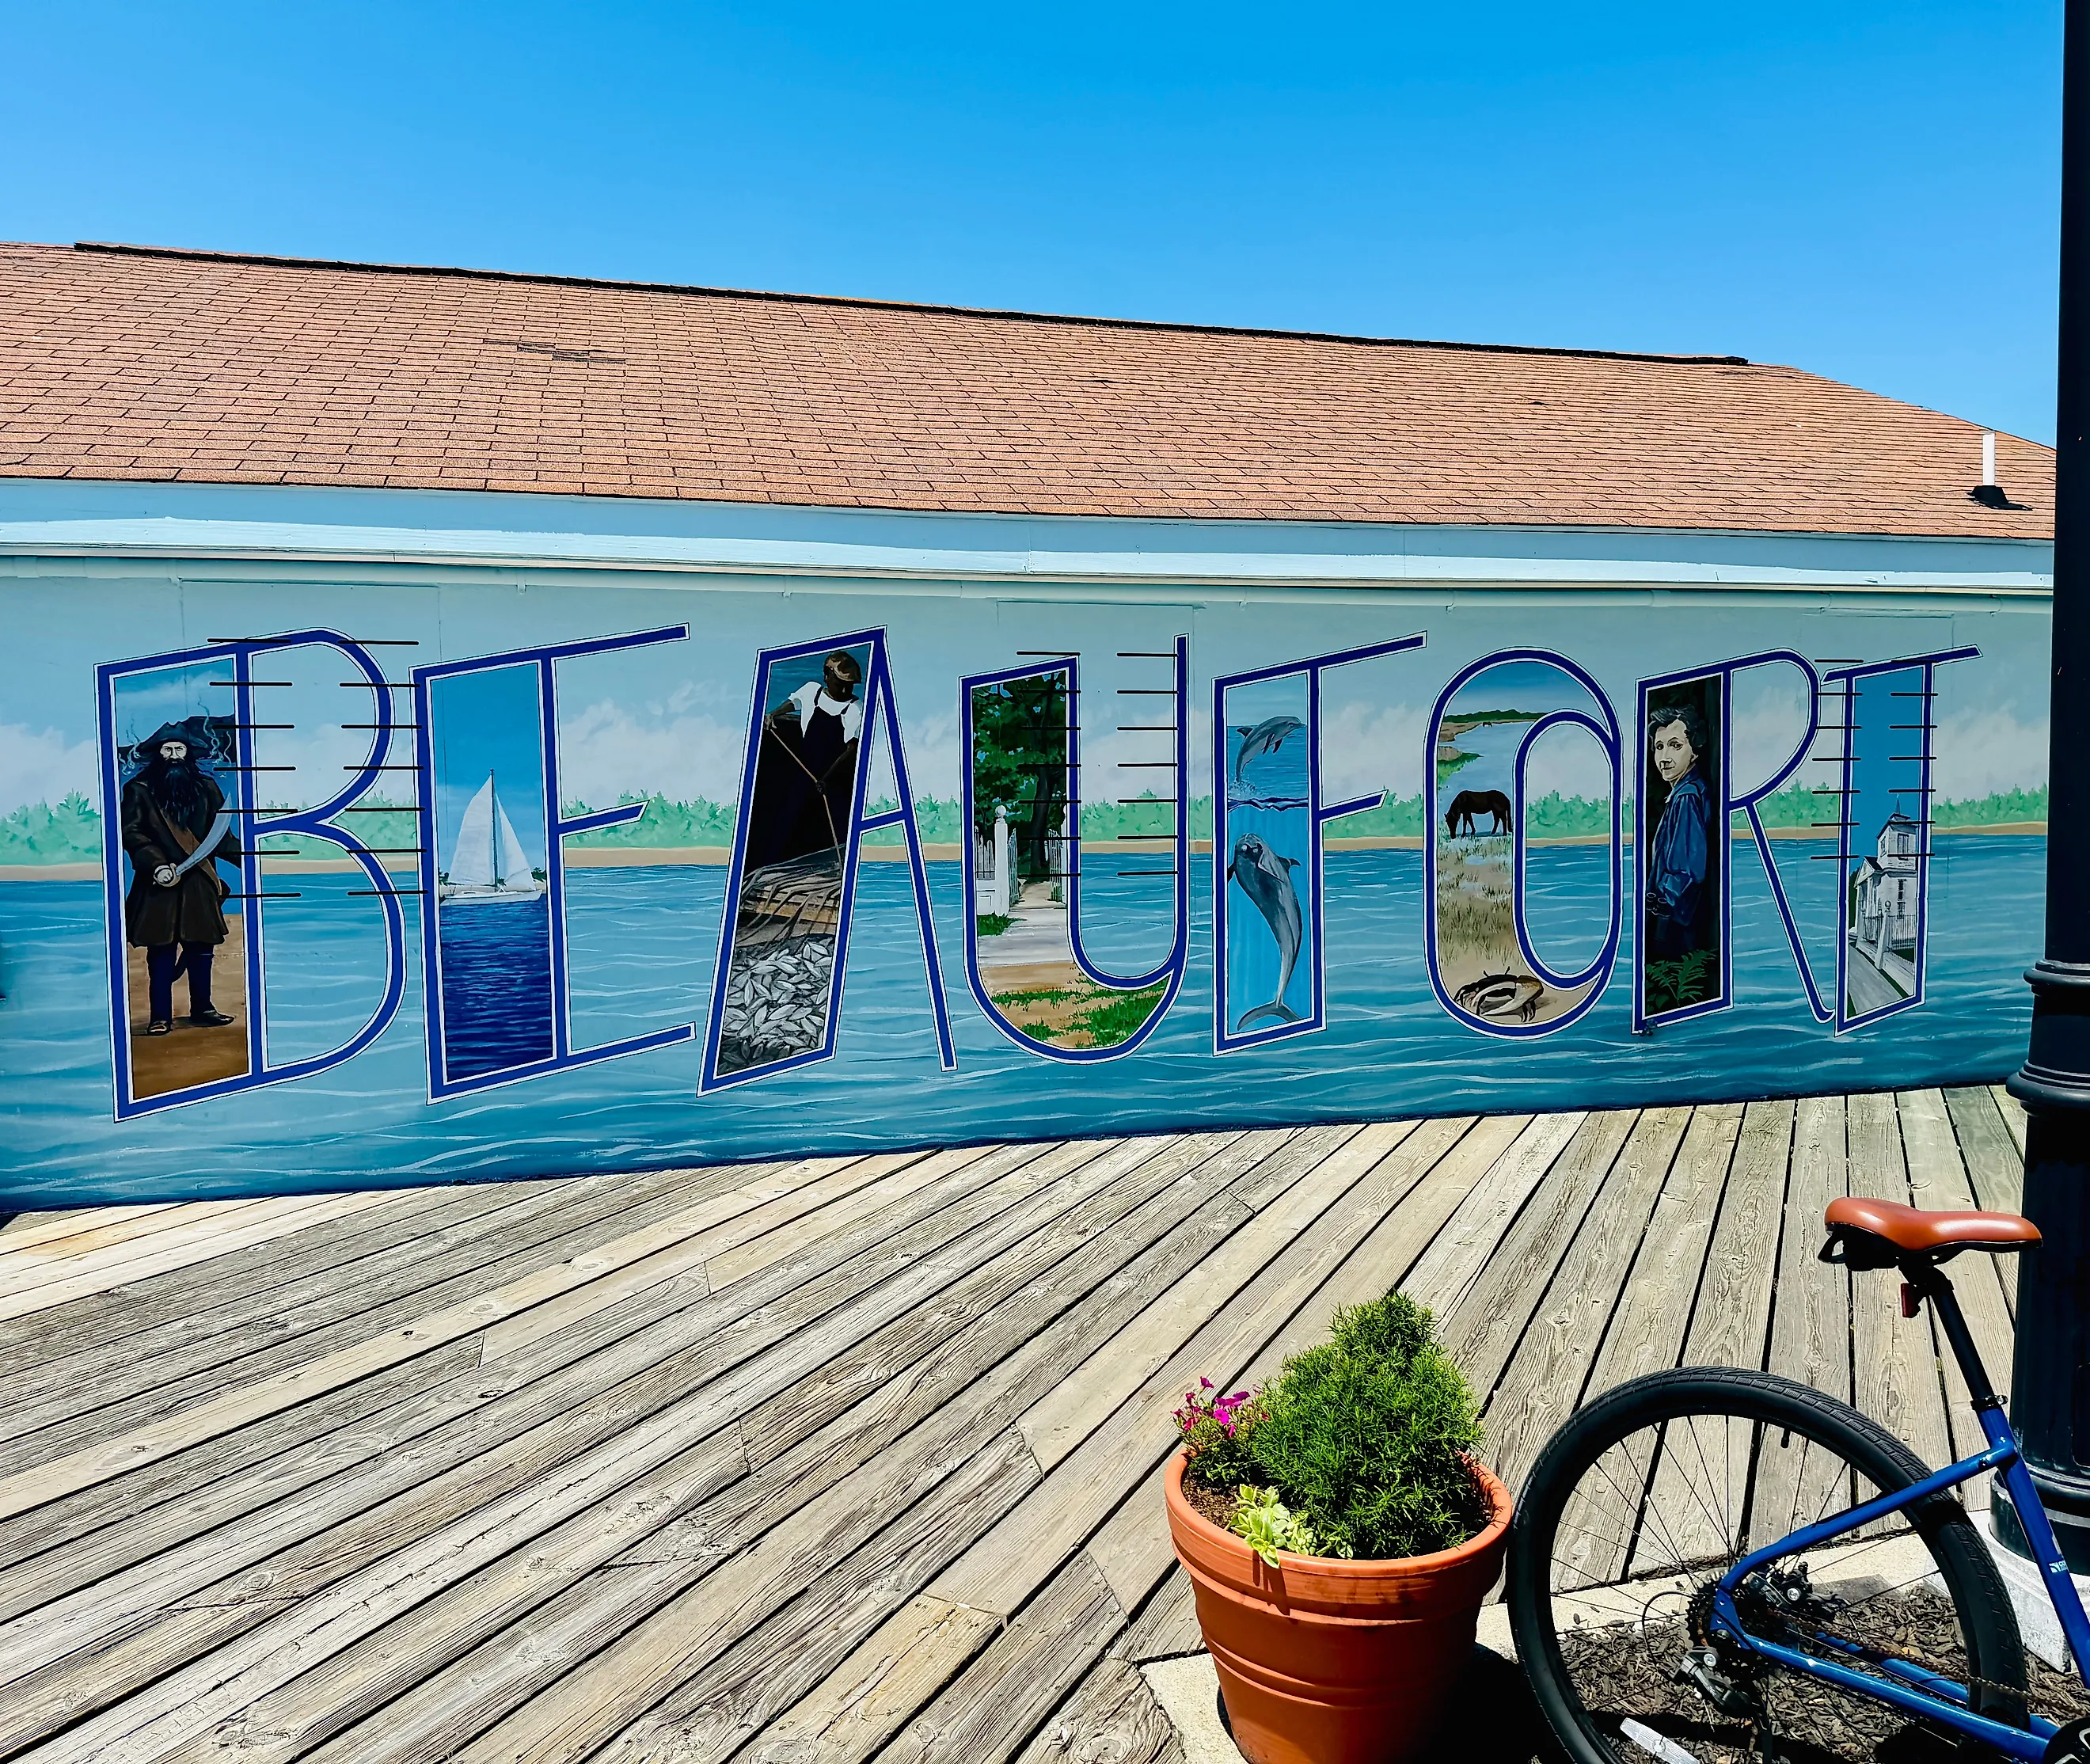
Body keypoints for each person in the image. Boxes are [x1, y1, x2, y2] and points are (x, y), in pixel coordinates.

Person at [120, 719, 241, 1036]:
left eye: (179, 749)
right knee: (160, 953)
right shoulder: (138, 790)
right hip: (158, 883)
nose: (173, 755)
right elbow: (132, 834)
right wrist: (157, 865)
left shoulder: (207, 789)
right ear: (158, 754)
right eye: (167, 749)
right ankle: (160, 1016)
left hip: (199, 882)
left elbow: (221, 837)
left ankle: (203, 1009)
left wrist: (251, 861)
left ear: (188, 754)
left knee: (201, 950)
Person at [743, 650, 865, 871]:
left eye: (851, 685)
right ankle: (768, 867)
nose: (847, 689)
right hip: (805, 770)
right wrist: (773, 714)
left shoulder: (854, 709)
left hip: (832, 778)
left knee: (834, 824)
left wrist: (826, 780)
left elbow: (851, 749)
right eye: (841, 683)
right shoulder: (812, 692)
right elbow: (793, 703)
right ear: (827, 676)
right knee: (787, 817)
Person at [1646, 703, 1712, 961]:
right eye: (1659, 747)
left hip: (1676, 918)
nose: (1664, 756)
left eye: (1675, 746)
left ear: (1694, 750)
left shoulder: (1687, 797)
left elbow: (1689, 866)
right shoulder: (1681, 793)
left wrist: (1660, 902)